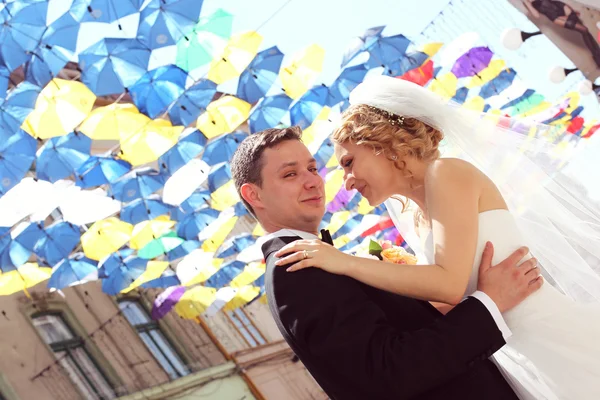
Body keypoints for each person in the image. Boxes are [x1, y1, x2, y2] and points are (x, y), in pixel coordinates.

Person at [275, 76, 600, 399]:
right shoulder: (412, 214)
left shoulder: (447, 173)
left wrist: (344, 262)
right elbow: (450, 300)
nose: (346, 182)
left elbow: (449, 283)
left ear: (381, 144)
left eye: (348, 163)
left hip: (554, 341)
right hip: (515, 356)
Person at [230, 126, 542, 400]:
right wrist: (488, 304)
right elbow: (387, 374)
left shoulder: (320, 258)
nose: (313, 181)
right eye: (290, 174)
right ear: (253, 194)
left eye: (312, 169)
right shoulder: (295, 268)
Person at [523, 0, 600, 67]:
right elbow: (536, 15)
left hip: (562, 7)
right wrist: (526, 1)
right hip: (556, 17)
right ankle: (597, 58)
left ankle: (598, 55)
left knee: (586, 32)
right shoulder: (527, 2)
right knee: (584, 30)